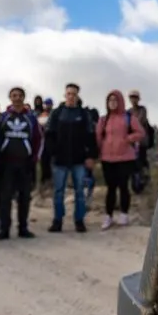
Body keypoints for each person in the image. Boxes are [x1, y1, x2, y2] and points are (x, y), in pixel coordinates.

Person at [45, 83, 98, 233]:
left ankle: (79, 221)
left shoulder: (84, 114)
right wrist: (53, 152)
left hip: (79, 160)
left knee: (80, 191)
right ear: (65, 95)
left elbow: (91, 137)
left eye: (74, 94)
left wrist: (90, 156)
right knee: (59, 191)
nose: (71, 96)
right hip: (60, 160)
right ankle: (57, 221)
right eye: (69, 93)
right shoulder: (57, 113)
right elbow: (49, 135)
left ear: (77, 95)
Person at [0, 87, 42, 240]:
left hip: (25, 164)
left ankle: (23, 228)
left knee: (24, 198)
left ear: (23, 97)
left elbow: (38, 140)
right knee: (5, 198)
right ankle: (4, 229)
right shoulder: (2, 117)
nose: (17, 98)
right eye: (14, 95)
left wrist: (34, 158)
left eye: (20, 95)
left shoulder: (31, 118)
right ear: (10, 97)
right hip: (6, 164)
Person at [97, 91, 145, 230]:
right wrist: (98, 152)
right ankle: (108, 216)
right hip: (107, 159)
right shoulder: (104, 119)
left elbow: (140, 133)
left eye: (115, 99)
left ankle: (124, 214)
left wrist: (128, 139)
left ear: (120, 101)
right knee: (110, 188)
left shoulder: (129, 118)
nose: (112, 102)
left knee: (123, 187)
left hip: (125, 158)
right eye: (110, 100)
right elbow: (98, 137)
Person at [128, 89, 155, 194]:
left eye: (135, 97)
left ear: (138, 99)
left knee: (142, 161)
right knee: (133, 163)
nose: (133, 99)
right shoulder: (128, 112)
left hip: (142, 142)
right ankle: (136, 184)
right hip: (132, 142)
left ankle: (145, 178)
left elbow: (139, 121)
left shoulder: (142, 110)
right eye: (132, 97)